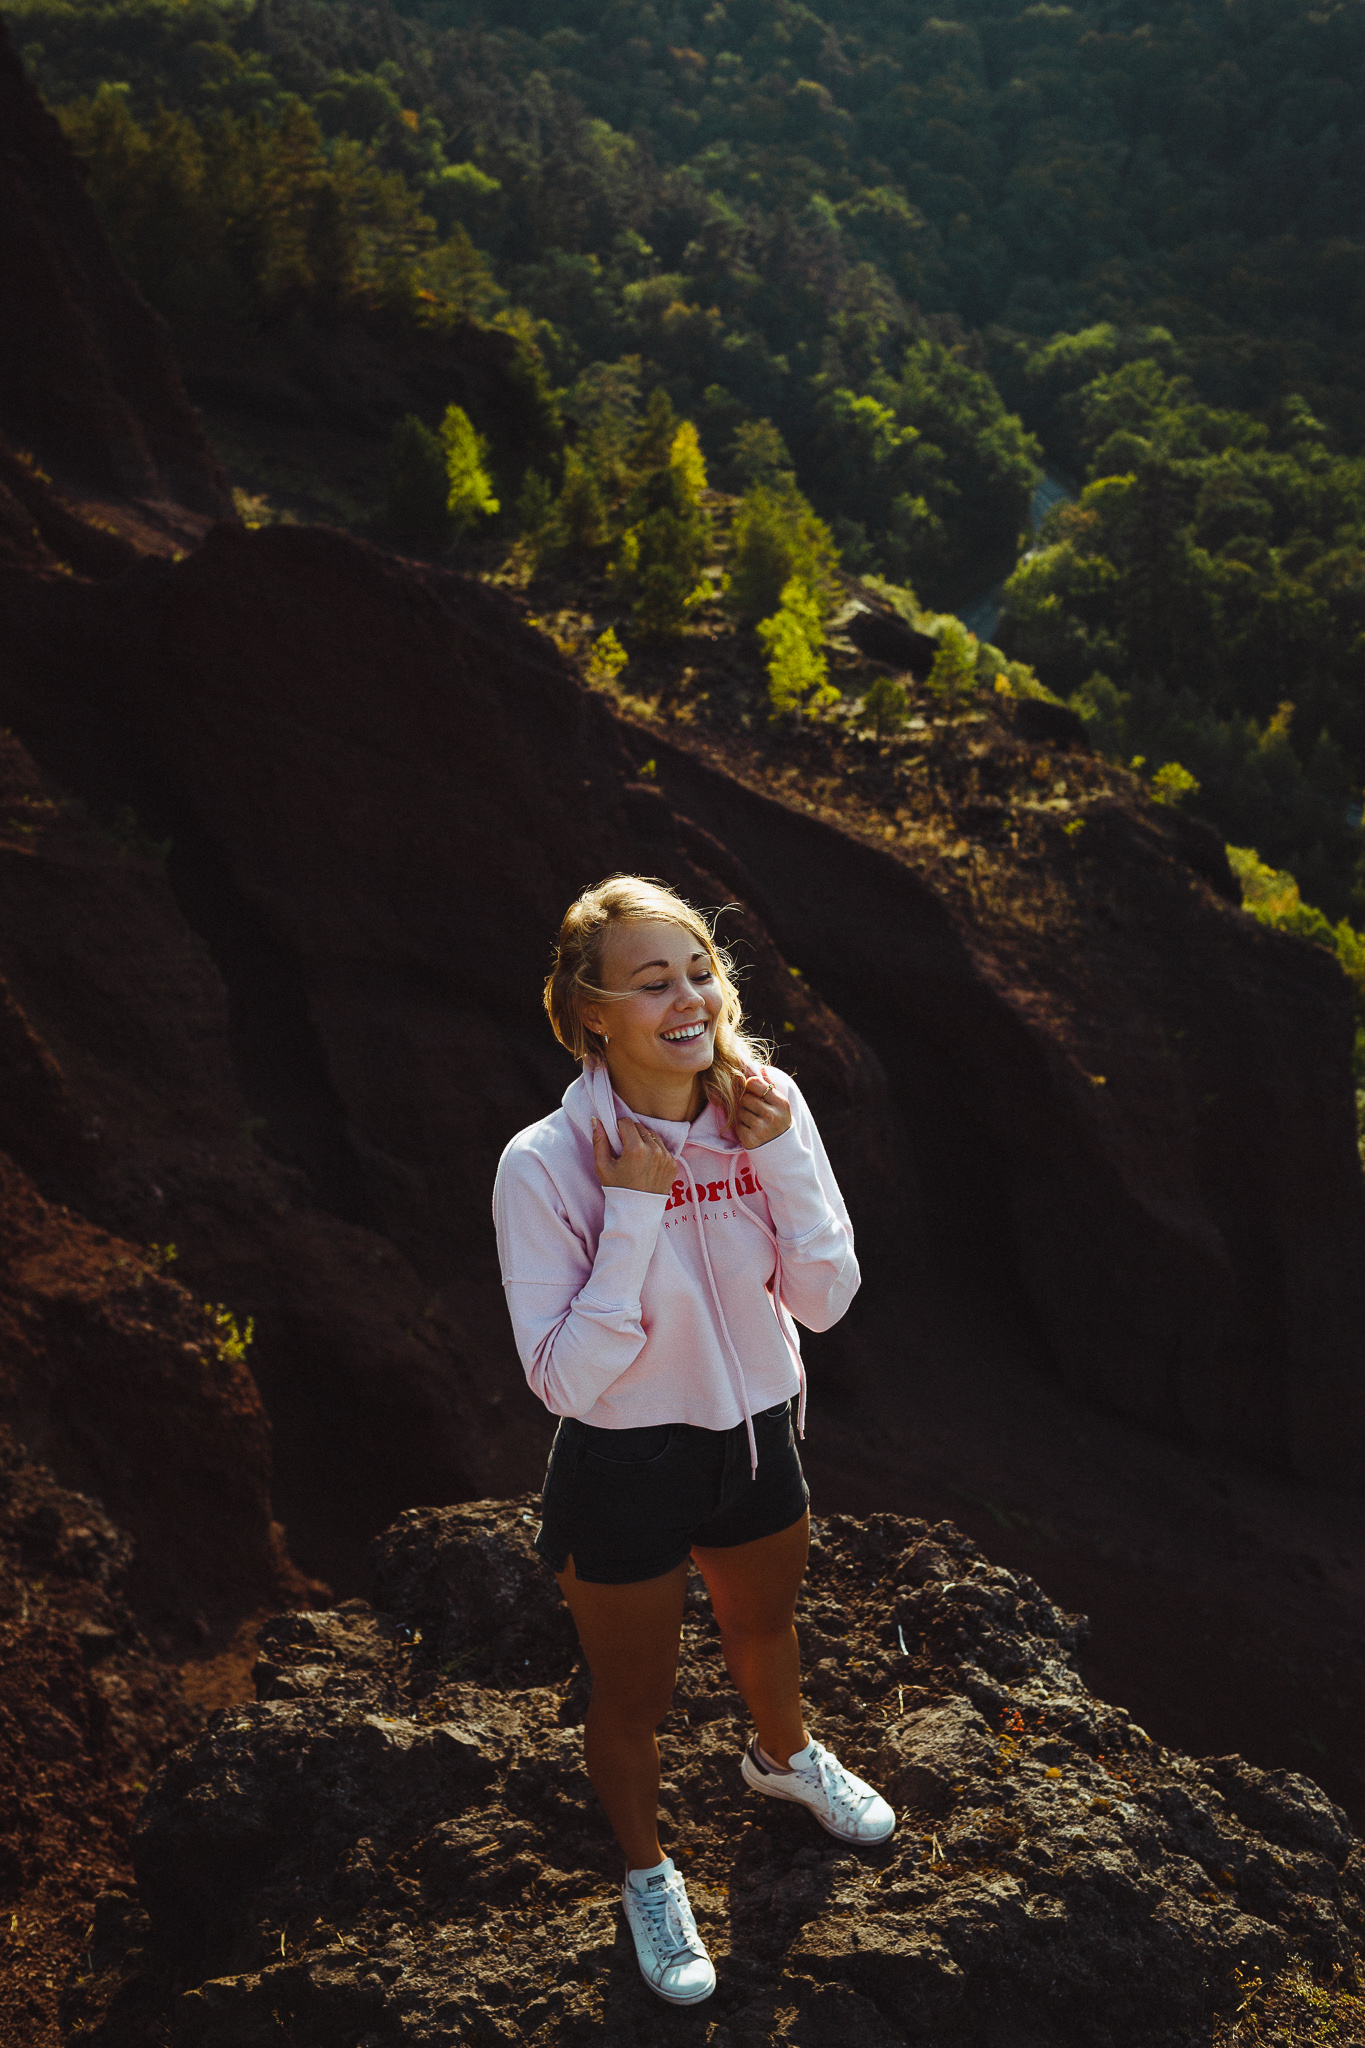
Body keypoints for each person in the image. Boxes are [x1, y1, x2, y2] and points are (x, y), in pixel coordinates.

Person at [492, 874, 894, 2009]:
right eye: (652, 981)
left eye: (700, 971)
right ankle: (648, 1873)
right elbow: (562, 1378)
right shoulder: (543, 1163)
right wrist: (631, 1207)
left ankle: (783, 1759)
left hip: (756, 1434)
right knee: (634, 1700)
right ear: (590, 1013)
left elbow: (824, 1300)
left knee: (766, 1626)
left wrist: (781, 1157)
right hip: (625, 1461)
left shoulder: (767, 1104)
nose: (690, 999)